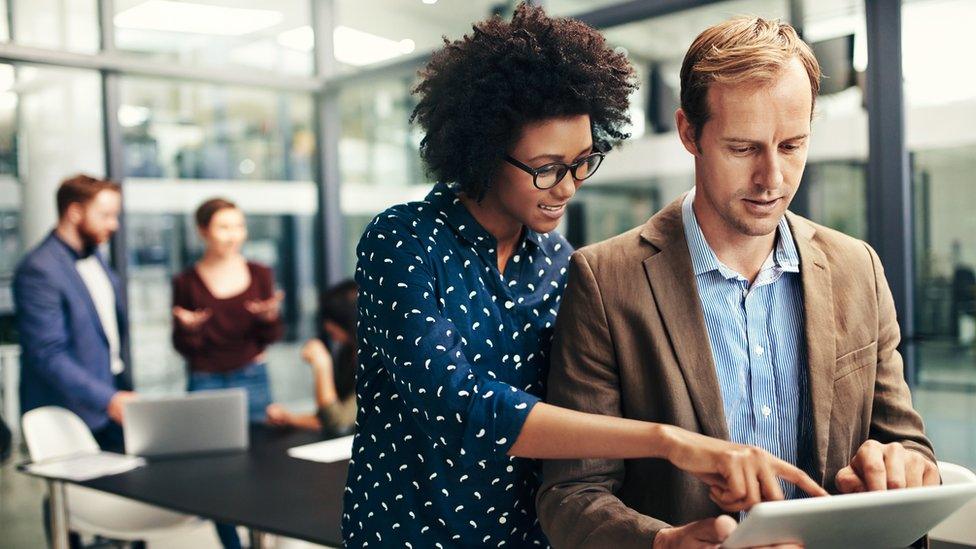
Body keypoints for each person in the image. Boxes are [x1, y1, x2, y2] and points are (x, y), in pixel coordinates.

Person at [342, 6, 825, 548]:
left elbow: (580, 415)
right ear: (482, 151)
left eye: (581, 163)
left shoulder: (556, 260)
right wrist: (669, 441)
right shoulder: (404, 240)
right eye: (546, 168)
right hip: (412, 533)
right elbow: (460, 405)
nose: (568, 187)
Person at [536, 16, 938, 548]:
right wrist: (665, 543)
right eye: (744, 149)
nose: (772, 179)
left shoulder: (857, 268)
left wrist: (902, 466)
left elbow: (908, 445)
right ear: (688, 133)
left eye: (792, 146)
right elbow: (572, 493)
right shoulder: (606, 281)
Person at [14, 174, 140, 549]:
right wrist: (108, 398)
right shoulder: (39, 269)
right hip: (70, 406)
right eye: (106, 215)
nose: (113, 226)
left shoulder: (97, 260)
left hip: (112, 394)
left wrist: (120, 391)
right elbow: (48, 354)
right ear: (74, 212)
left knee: (127, 497)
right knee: (72, 505)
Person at [171, 197, 283, 549]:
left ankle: (260, 540)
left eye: (238, 226)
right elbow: (184, 347)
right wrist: (189, 329)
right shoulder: (186, 281)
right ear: (203, 231)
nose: (233, 235)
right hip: (205, 380)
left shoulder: (261, 273)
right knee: (214, 474)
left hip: (253, 377)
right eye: (223, 227)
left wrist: (268, 319)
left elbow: (271, 338)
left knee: (262, 467)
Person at [266, 280, 358, 437]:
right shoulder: (346, 353)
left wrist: (322, 365)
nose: (327, 327)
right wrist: (290, 419)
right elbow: (326, 416)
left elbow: (339, 423)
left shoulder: (376, 362)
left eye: (332, 319)